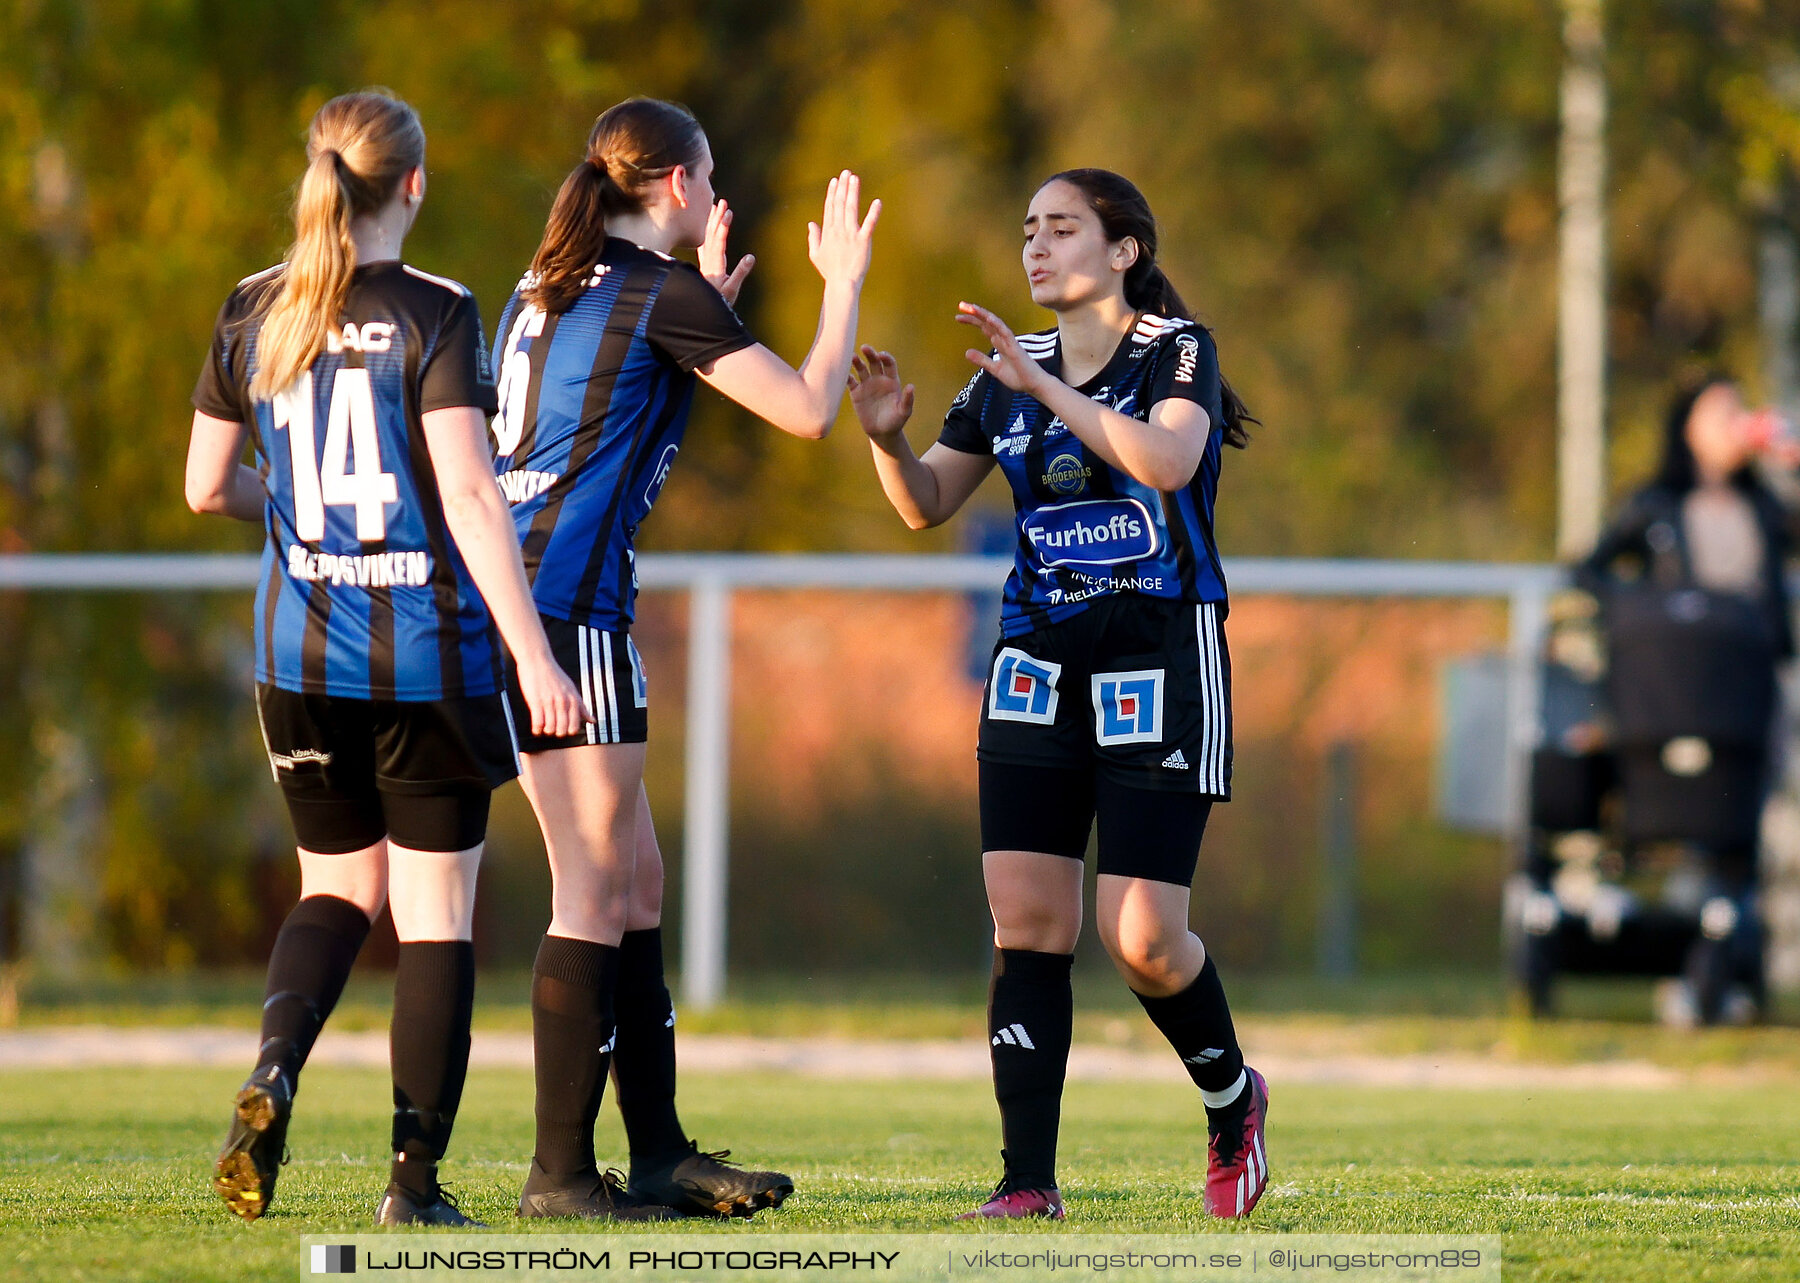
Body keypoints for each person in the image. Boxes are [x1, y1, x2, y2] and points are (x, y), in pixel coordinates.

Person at [186, 90, 586, 1227]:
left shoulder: (253, 306)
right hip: (426, 662)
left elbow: (205, 485)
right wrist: (535, 657)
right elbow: (467, 492)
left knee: (336, 887)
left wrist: (301, 516)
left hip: (297, 660)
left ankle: (274, 1070)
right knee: (434, 914)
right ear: (415, 181)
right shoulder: (442, 312)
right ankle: (413, 1183)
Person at [849, 168, 1269, 1219]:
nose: (1038, 246)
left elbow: (1167, 462)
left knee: (1142, 938)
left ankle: (1231, 1099)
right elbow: (927, 505)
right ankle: (1026, 1181)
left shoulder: (1178, 348)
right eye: (1029, 228)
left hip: (1160, 662)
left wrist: (1050, 395)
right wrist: (887, 437)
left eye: (1064, 227)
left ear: (1123, 250)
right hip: (1037, 667)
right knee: (1029, 919)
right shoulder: (1005, 373)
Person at [489, 97, 880, 1219]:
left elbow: (615, 406)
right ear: (669, 186)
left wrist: (704, 302)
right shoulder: (652, 293)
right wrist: (842, 281)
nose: (716, 197)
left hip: (522, 601)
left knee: (635, 880)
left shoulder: (551, 281)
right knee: (595, 883)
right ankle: (561, 1172)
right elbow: (808, 411)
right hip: (564, 612)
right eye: (706, 180)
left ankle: (656, 1151)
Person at [1575, 374, 1800, 1023]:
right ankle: (1691, 963)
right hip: (1676, 694)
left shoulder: (1765, 507)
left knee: (1743, 832)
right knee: (1683, 827)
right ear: (1689, 426)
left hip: (1750, 689)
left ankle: (1723, 974)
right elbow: (1591, 570)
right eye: (1719, 411)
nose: (1735, 421)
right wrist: (1649, 615)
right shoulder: (1655, 506)